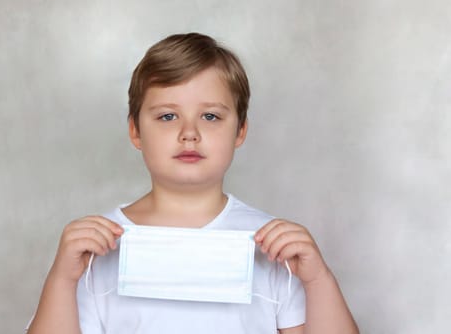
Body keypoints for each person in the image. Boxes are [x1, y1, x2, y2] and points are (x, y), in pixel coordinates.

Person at [26, 32, 359, 334]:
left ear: (240, 131)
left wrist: (318, 280)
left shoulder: (273, 247)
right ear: (135, 132)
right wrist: (61, 279)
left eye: (210, 116)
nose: (189, 133)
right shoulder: (94, 251)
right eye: (167, 116)